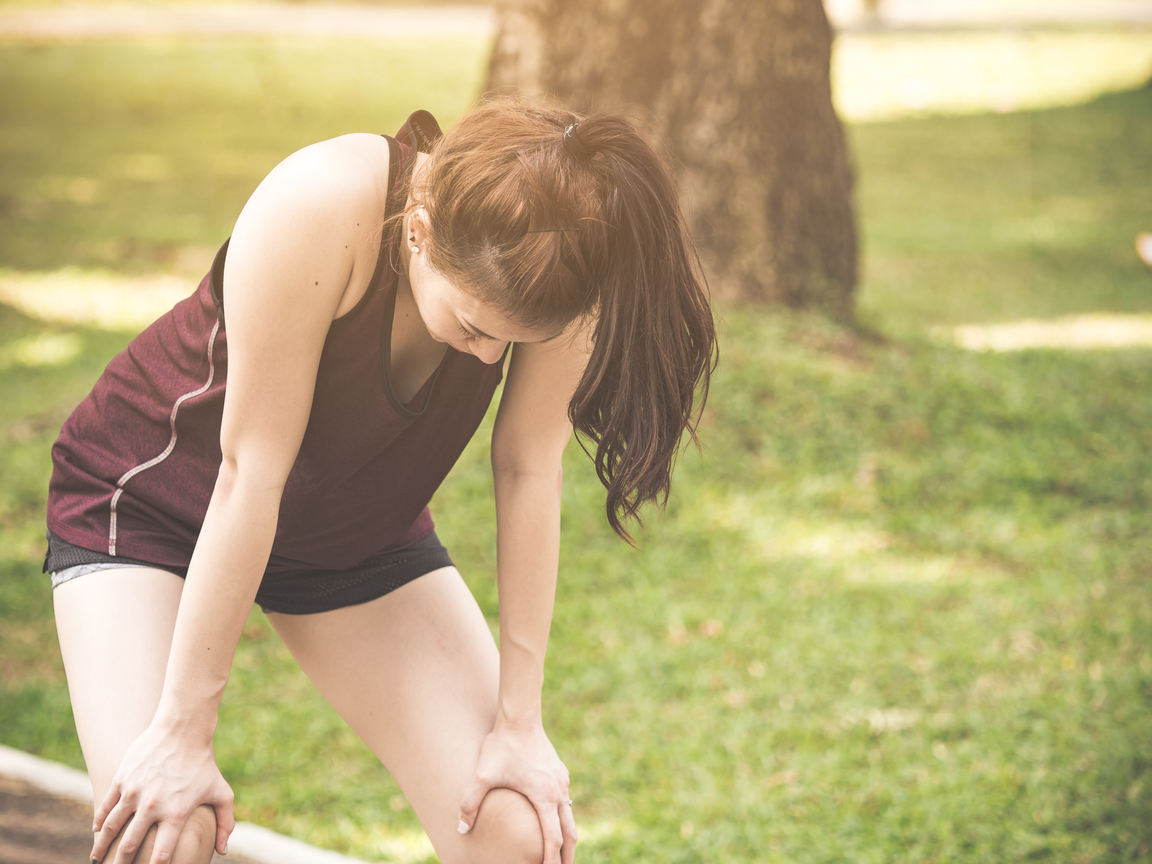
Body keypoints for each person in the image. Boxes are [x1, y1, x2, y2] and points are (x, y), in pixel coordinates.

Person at [45, 100, 716, 864]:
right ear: (418, 233)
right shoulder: (321, 202)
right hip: (164, 509)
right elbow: (249, 477)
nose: (490, 360)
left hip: (351, 526)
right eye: (472, 328)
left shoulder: (561, 262)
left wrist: (519, 725)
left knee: (515, 831)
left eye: (512, 342)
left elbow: (529, 467)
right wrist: (180, 734)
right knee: (168, 833)